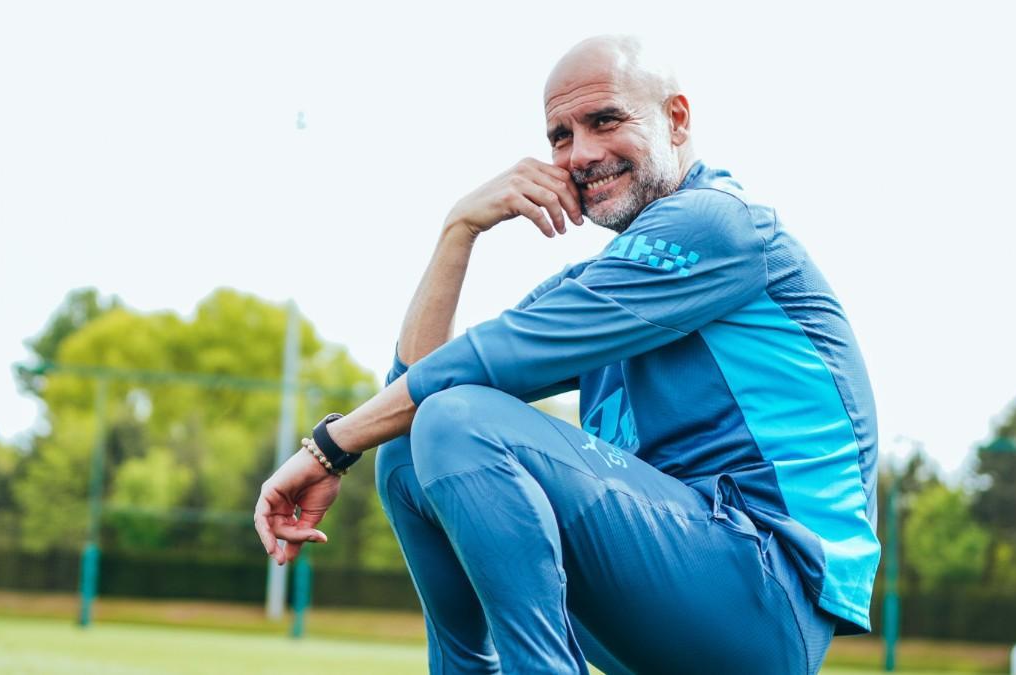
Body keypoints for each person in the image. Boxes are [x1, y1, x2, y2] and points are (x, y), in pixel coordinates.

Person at [254, 34, 880, 675]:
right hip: (667, 582)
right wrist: (457, 231)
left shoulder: (721, 225)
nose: (581, 153)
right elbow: (414, 392)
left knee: (455, 419)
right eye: (560, 135)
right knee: (409, 448)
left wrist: (329, 447)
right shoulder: (605, 281)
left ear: (677, 119)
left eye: (604, 120)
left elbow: (481, 372)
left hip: (764, 595)